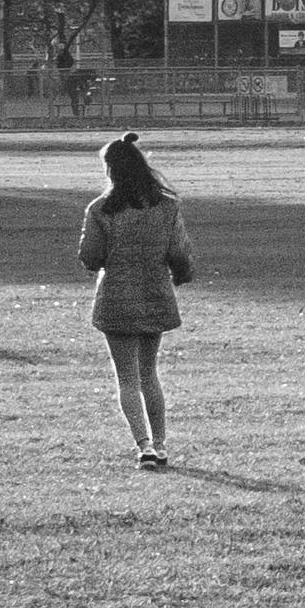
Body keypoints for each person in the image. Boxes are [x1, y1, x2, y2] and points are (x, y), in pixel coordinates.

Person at [77, 131, 196, 469]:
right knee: (149, 374)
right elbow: (180, 252)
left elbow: (90, 256)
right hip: (155, 293)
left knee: (126, 378)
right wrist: (181, 274)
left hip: (117, 298)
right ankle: (160, 444)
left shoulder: (100, 209)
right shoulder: (167, 207)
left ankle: (142, 445)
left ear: (111, 170)